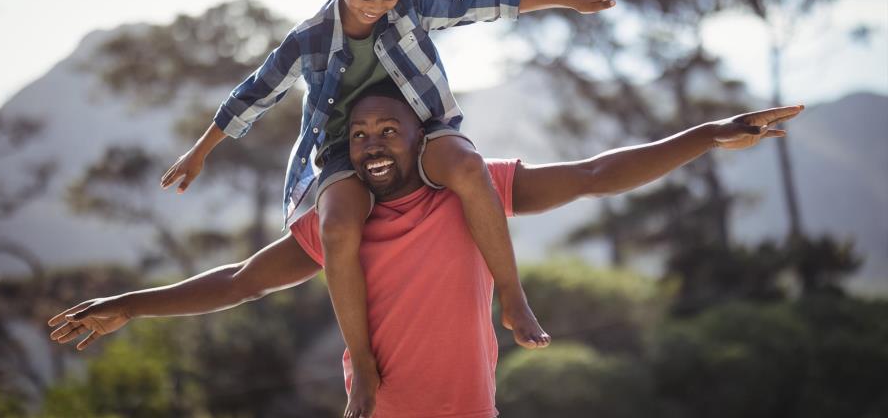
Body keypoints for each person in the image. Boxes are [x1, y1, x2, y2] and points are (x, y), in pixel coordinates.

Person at [51, 79, 803, 418]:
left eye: (388, 131)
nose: (373, 144)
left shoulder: (475, 193)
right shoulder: (337, 228)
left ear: (422, 139)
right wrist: (128, 305)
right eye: (359, 136)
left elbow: (598, 174)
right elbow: (240, 283)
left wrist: (708, 134)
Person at [156, 0, 633, 414]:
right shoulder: (311, 39)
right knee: (338, 226)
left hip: (421, 132)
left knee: (470, 168)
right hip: (347, 149)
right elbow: (252, 94)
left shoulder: (412, 4)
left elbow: (483, 1)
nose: (377, 6)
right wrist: (200, 152)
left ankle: (513, 299)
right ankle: (362, 363)